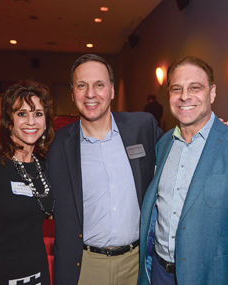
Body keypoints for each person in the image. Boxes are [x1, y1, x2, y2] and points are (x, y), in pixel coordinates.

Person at [46, 54, 164, 285]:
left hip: (137, 265)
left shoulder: (143, 127)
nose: (91, 94)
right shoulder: (55, 145)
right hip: (85, 267)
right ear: (73, 93)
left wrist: (218, 135)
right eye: (82, 86)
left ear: (111, 90)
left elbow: (180, 149)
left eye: (99, 85)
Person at [138, 56, 228, 285]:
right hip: (159, 272)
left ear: (212, 92)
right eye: (177, 89)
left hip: (210, 276)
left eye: (195, 87)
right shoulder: (163, 144)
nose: (185, 96)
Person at [0, 79, 55, 284]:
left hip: (38, 274)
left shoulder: (46, 167)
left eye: (38, 114)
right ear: (9, 121)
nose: (31, 121)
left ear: (45, 122)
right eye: (22, 113)